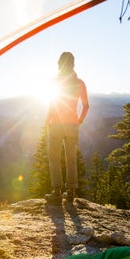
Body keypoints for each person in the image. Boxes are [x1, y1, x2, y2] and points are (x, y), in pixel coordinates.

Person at [45, 52, 89, 205]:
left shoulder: (55, 82)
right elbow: (86, 106)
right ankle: (70, 193)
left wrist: (47, 122)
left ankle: (57, 192)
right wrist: (79, 121)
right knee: (71, 159)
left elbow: (52, 104)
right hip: (72, 126)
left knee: (54, 158)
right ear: (73, 64)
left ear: (59, 64)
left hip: (56, 125)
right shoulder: (80, 83)